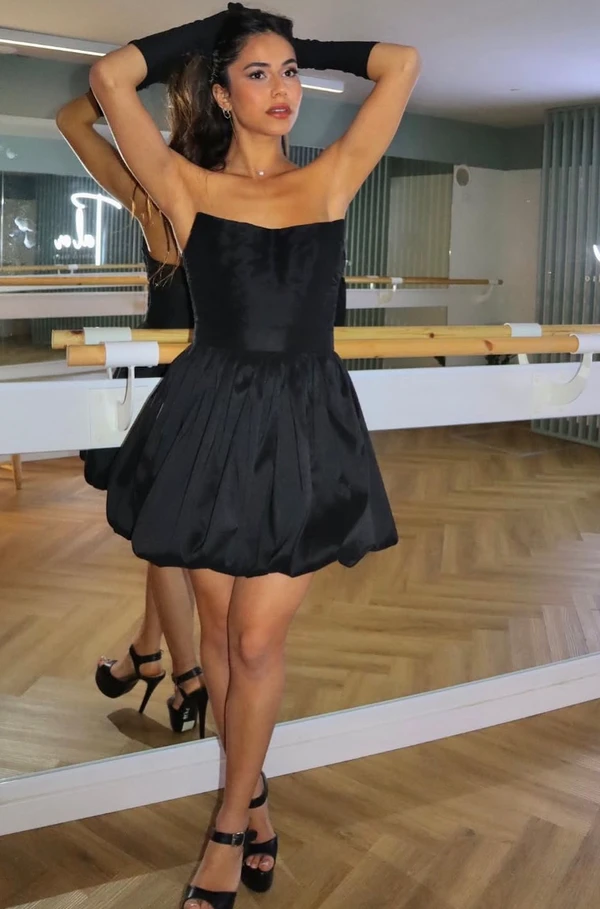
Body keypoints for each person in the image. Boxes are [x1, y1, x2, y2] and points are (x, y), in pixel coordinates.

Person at [89, 4, 419, 907]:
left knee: (257, 637)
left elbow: (401, 63)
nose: (283, 89)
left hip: (304, 428)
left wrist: (289, 41)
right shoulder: (186, 184)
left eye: (292, 73)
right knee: (220, 631)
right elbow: (109, 79)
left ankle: (228, 829)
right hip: (209, 424)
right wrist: (215, 32)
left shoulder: (333, 177)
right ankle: (257, 799)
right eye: (259, 74)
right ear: (224, 95)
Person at [56, 91, 208, 736]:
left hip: (161, 389)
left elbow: (70, 120)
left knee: (162, 534)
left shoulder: (155, 201)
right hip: (219, 384)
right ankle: (146, 652)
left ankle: (188, 675)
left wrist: (130, 82)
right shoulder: (246, 203)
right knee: (165, 530)